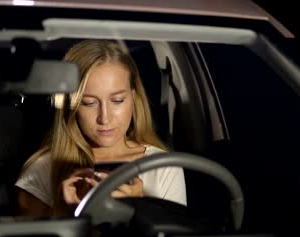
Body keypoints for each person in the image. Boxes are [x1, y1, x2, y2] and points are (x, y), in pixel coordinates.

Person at [15, 39, 186, 217]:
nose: (105, 118)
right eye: (89, 103)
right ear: (70, 105)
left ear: (133, 98)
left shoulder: (163, 167)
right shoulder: (43, 168)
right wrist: (68, 213)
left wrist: (140, 208)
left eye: (117, 100)